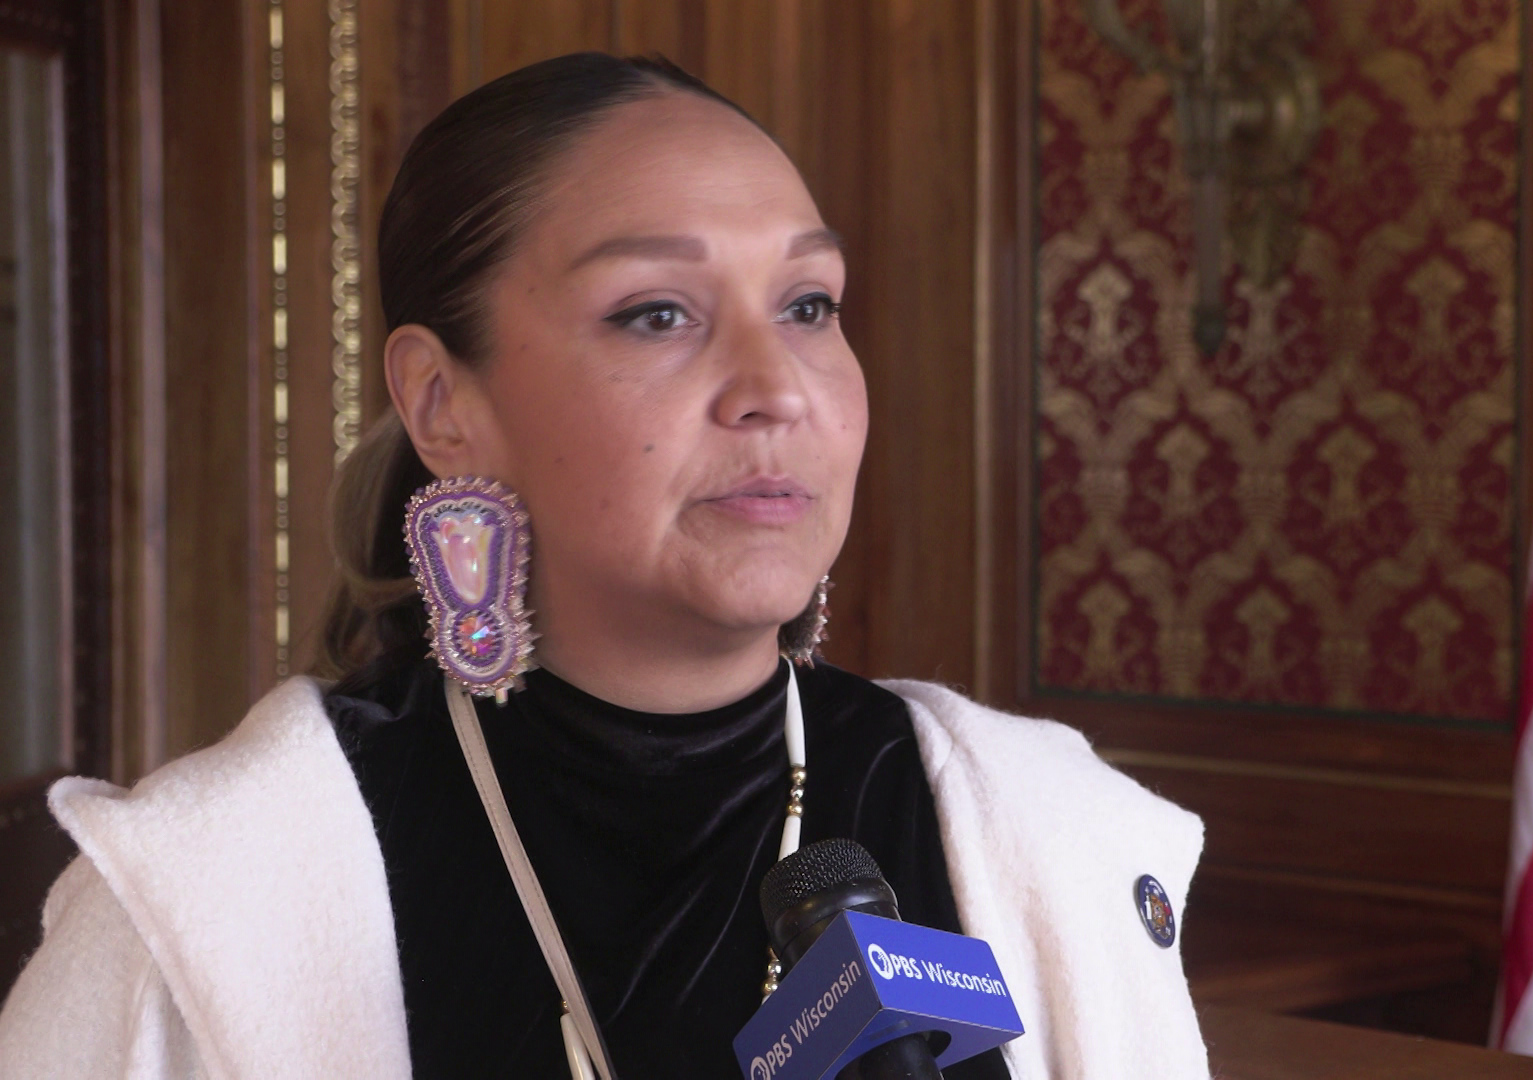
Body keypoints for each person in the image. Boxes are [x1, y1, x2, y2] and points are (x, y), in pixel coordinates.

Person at [0, 54, 1209, 1079]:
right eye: (658, 314)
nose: (777, 388)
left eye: (808, 304)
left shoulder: (1053, 837)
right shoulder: (198, 902)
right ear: (442, 401)